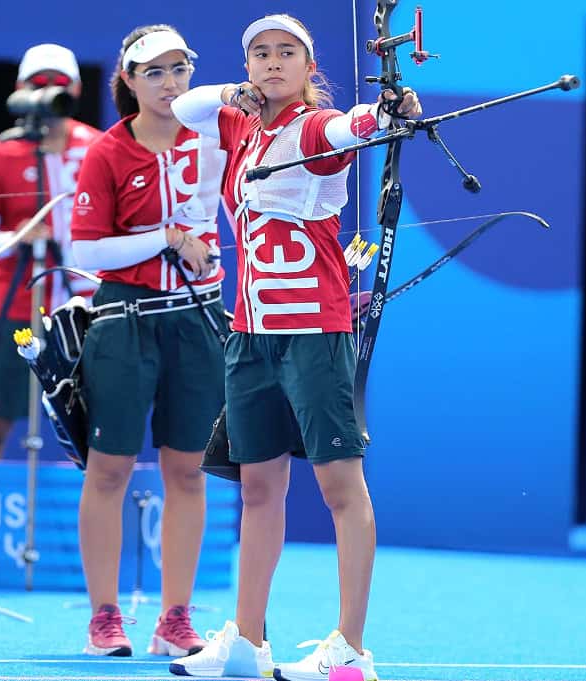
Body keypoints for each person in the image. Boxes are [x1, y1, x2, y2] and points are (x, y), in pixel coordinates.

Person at [168, 13, 421, 681]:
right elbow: (182, 103)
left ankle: (351, 649)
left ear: (310, 68)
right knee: (258, 487)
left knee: (340, 484)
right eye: (260, 54)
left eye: (287, 54)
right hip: (249, 334)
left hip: (313, 332)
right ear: (246, 65)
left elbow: (355, 126)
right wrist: (229, 93)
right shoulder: (235, 125)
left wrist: (388, 110)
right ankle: (249, 641)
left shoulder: (315, 127)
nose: (272, 63)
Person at [69, 25, 229, 657]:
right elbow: (85, 250)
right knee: (109, 468)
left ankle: (176, 617)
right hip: (123, 319)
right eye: (154, 72)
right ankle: (104, 616)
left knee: (187, 470)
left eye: (179, 68)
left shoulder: (216, 139)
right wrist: (167, 236)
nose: (169, 83)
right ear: (129, 81)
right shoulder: (108, 151)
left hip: (198, 320)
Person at [0, 43, 100, 459]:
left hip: (84, 305)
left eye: (59, 83)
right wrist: (18, 237)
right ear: (20, 88)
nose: (50, 91)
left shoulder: (98, 146)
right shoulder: (3, 152)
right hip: (16, 304)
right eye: (39, 82)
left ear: (75, 88)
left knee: (89, 425)